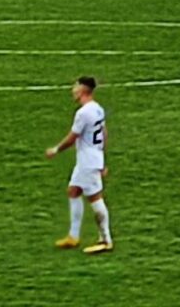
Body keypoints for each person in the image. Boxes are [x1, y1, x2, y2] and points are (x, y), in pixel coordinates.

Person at [45, 76, 114, 255]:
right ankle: (73, 236)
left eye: (75, 87)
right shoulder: (97, 109)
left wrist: (56, 149)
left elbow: (72, 137)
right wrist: (103, 159)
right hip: (92, 158)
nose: (72, 91)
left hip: (88, 162)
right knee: (73, 191)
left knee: (95, 198)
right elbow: (104, 133)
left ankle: (106, 240)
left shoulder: (83, 113)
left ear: (83, 90)